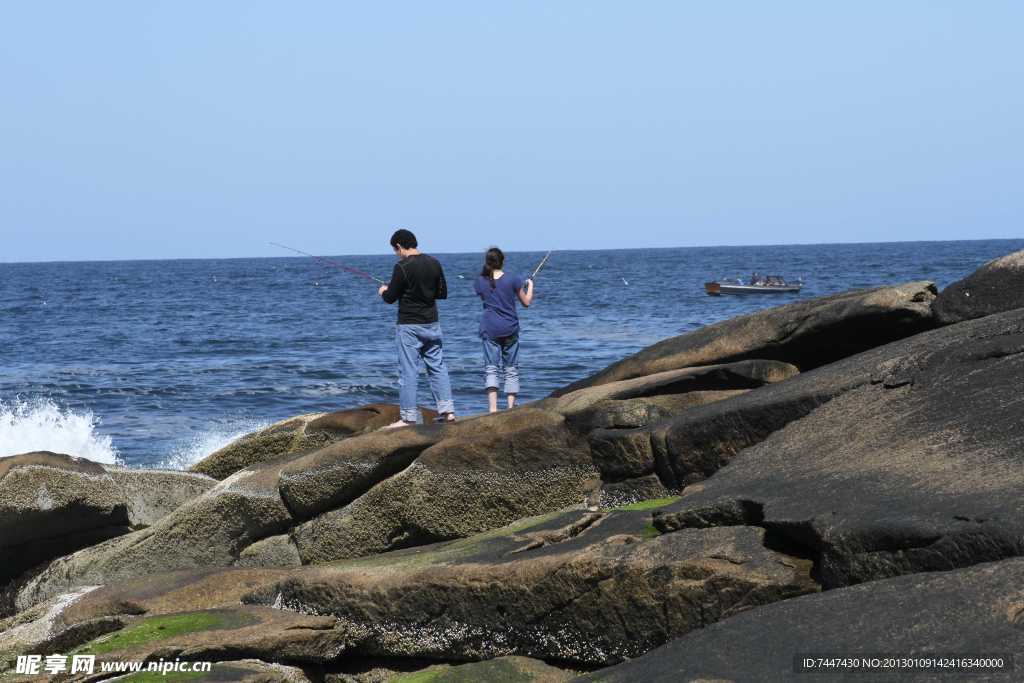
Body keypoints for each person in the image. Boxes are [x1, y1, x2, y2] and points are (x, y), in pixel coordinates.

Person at [378, 228, 455, 427]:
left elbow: (390, 298)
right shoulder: (434, 263)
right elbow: (442, 293)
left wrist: (383, 291)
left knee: (408, 371)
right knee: (437, 367)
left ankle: (408, 418)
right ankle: (447, 412)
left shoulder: (401, 267)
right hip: (432, 323)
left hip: (409, 325)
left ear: (399, 246)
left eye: (396, 250)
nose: (397, 254)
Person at [473, 247, 534, 413]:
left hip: (489, 328)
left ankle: (493, 408)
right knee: (511, 369)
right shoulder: (513, 279)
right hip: (510, 328)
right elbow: (526, 302)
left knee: (491, 368)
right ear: (502, 261)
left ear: (487, 262)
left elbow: (485, 295)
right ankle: (510, 406)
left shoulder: (480, 281)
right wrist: (530, 286)